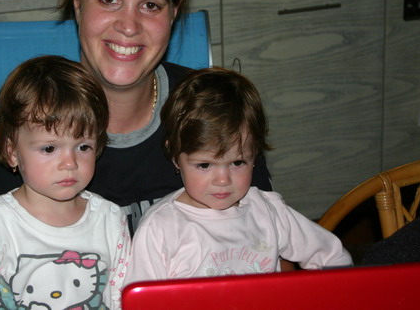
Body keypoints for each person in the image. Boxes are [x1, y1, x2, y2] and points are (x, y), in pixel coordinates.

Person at [0, 0, 272, 308]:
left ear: (174, 10)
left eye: (151, 5)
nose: (129, 25)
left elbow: (273, 248)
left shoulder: (216, 115)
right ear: (77, 0)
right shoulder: (35, 130)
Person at [125, 68, 352, 283]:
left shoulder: (269, 211)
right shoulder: (159, 228)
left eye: (237, 162)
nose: (223, 180)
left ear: (255, 156)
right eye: (204, 165)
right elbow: (140, 299)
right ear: (175, 156)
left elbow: (333, 257)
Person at [0, 55, 131, 309]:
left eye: (83, 147)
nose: (70, 163)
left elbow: (123, 296)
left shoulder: (110, 219)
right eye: (49, 149)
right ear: (13, 152)